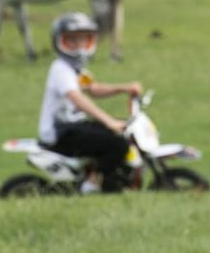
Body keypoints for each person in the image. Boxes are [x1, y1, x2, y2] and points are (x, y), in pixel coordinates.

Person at [38, 11, 142, 194]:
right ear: (60, 42)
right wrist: (108, 121)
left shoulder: (75, 69)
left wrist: (124, 88)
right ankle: (92, 184)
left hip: (73, 126)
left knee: (122, 132)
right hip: (61, 132)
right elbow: (77, 99)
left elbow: (93, 88)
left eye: (83, 39)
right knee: (117, 144)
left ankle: (110, 180)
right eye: (72, 40)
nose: (79, 45)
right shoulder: (61, 69)